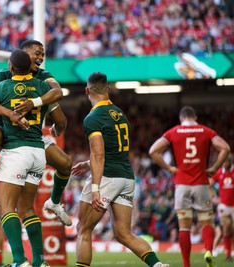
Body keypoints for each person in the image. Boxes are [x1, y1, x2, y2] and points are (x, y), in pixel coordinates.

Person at [71, 72, 170, 267]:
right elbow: (113, 151)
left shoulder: (93, 118)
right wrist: (88, 164)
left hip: (107, 178)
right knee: (124, 234)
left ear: (86, 91)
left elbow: (99, 155)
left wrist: (96, 188)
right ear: (108, 90)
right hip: (126, 177)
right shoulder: (120, 114)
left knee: (83, 229)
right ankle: (158, 265)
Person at [0, 39, 72, 227]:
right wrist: (10, 112)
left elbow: (58, 97)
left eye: (43, 54)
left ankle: (54, 203)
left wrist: (34, 102)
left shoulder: (42, 79)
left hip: (32, 138)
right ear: (24, 54)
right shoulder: (1, 77)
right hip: (6, 135)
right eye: (37, 53)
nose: (41, 57)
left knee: (65, 164)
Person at [149, 106, 230, 267]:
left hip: (182, 184)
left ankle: (187, 264)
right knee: (206, 222)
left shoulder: (174, 132)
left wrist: (169, 168)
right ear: (195, 117)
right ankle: (208, 250)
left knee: (184, 228)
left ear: (181, 118)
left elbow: (153, 151)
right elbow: (225, 148)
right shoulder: (205, 131)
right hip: (201, 183)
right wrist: (214, 168)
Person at [0, 49, 51, 267]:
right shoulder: (42, 86)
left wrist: (5, 111)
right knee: (27, 209)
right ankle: (39, 261)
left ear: (10, 67)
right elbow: (56, 95)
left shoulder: (2, 87)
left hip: (16, 150)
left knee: (5, 206)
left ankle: (19, 260)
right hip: (38, 150)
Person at [210, 154, 234, 261]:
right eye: (223, 162)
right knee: (226, 230)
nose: (225, 164)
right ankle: (228, 255)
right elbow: (209, 184)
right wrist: (214, 197)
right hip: (224, 206)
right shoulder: (219, 172)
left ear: (230, 162)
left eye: (226, 162)